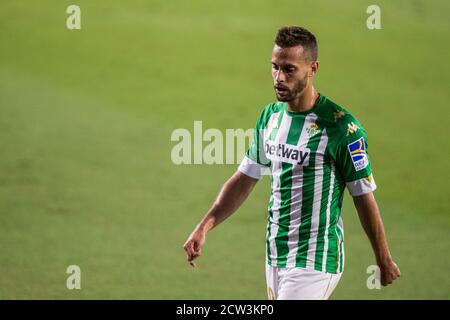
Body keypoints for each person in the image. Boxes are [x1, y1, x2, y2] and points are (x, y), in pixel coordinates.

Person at [183, 26, 400, 300]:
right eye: (274, 67)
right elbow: (245, 178)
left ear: (313, 68)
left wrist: (383, 258)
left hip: (315, 260)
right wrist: (205, 226)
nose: (278, 78)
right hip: (274, 254)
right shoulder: (270, 117)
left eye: (289, 69)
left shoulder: (342, 129)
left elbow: (363, 197)